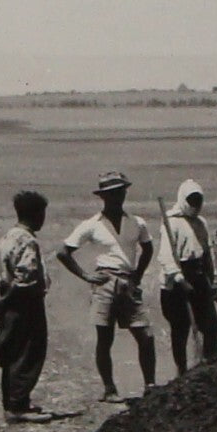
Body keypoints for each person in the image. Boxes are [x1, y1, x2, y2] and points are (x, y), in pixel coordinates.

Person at [56, 171, 157, 402]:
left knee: (146, 335)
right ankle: (109, 389)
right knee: (105, 338)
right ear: (103, 196)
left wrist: (138, 275)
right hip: (105, 282)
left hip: (128, 281)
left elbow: (148, 248)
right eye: (111, 193)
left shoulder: (137, 222)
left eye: (120, 192)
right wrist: (87, 276)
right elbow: (63, 252)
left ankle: (150, 385)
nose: (117, 197)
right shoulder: (92, 225)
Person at [0, 190, 51, 421]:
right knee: (28, 353)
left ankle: (14, 403)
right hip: (25, 303)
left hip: (9, 302)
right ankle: (17, 406)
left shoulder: (7, 237)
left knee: (12, 353)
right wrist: (6, 300)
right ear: (36, 214)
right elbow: (25, 278)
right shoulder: (27, 241)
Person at [156, 178, 217, 373]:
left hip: (198, 276)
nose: (195, 205)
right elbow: (166, 255)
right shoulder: (171, 223)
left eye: (198, 201)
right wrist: (179, 279)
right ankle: (182, 371)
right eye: (191, 200)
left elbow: (207, 252)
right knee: (181, 329)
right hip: (176, 281)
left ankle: (208, 366)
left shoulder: (201, 223)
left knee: (212, 328)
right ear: (183, 199)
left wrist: (213, 279)